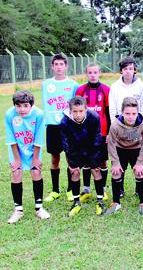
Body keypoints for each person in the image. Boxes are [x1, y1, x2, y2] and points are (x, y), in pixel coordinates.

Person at [5, 91, 50, 224]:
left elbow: (39, 137)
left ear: (31, 105)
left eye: (25, 105)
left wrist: (35, 158)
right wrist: (17, 159)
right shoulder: (9, 114)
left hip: (33, 148)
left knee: (36, 173)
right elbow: (11, 138)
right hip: (16, 149)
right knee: (16, 174)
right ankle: (18, 210)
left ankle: (39, 208)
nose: (22, 109)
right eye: (18, 106)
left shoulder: (39, 114)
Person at [42, 53, 79, 203]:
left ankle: (70, 190)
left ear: (66, 66)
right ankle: (55, 190)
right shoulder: (46, 84)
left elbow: (77, 106)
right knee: (54, 158)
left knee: (70, 159)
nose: (58, 67)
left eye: (61, 64)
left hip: (68, 126)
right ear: (52, 67)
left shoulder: (73, 85)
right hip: (52, 126)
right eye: (56, 64)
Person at [105, 97, 143, 215]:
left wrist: (140, 162)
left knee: (139, 172)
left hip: (137, 150)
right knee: (116, 172)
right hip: (121, 150)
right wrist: (115, 163)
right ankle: (116, 203)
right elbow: (110, 143)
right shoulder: (115, 125)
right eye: (127, 113)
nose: (131, 116)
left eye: (133, 113)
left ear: (138, 112)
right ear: (122, 112)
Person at [60, 96, 105, 217]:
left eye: (81, 111)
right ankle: (76, 202)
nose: (78, 114)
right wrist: (71, 160)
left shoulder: (94, 117)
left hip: (91, 147)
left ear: (86, 109)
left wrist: (94, 158)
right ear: (70, 110)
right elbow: (66, 143)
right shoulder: (64, 122)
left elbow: (97, 138)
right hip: (75, 149)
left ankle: (100, 201)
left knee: (96, 170)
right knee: (74, 172)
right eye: (75, 111)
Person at [109, 57, 143, 198]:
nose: (128, 71)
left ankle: (138, 187)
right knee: (121, 157)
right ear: (121, 71)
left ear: (134, 70)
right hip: (120, 123)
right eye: (125, 69)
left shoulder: (141, 86)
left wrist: (141, 126)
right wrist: (115, 126)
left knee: (136, 157)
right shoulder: (115, 86)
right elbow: (112, 108)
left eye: (131, 68)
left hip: (136, 124)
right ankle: (120, 188)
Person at [76, 62, 111, 202]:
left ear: (99, 73)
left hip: (101, 133)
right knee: (85, 162)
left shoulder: (106, 90)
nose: (92, 75)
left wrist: (108, 132)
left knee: (102, 162)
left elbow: (108, 113)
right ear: (86, 74)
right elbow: (76, 112)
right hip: (83, 133)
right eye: (90, 72)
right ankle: (86, 190)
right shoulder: (80, 90)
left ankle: (102, 189)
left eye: (95, 72)